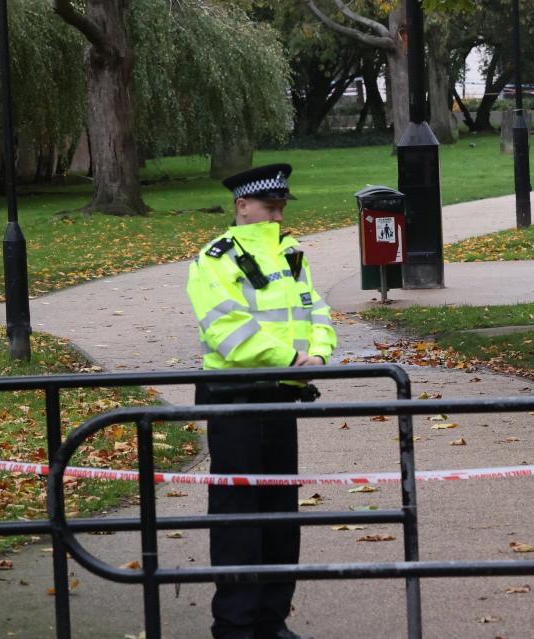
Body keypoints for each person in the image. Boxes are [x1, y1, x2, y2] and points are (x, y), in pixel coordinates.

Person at [186, 163, 337, 639]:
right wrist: (291, 357)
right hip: (234, 394)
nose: (275, 216)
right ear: (242, 206)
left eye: (280, 208)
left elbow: (317, 309)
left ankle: (271, 620)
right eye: (268, 207)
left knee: (278, 512)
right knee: (237, 513)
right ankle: (234, 625)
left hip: (283, 392)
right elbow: (225, 328)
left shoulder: (292, 254)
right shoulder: (215, 258)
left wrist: (318, 353)